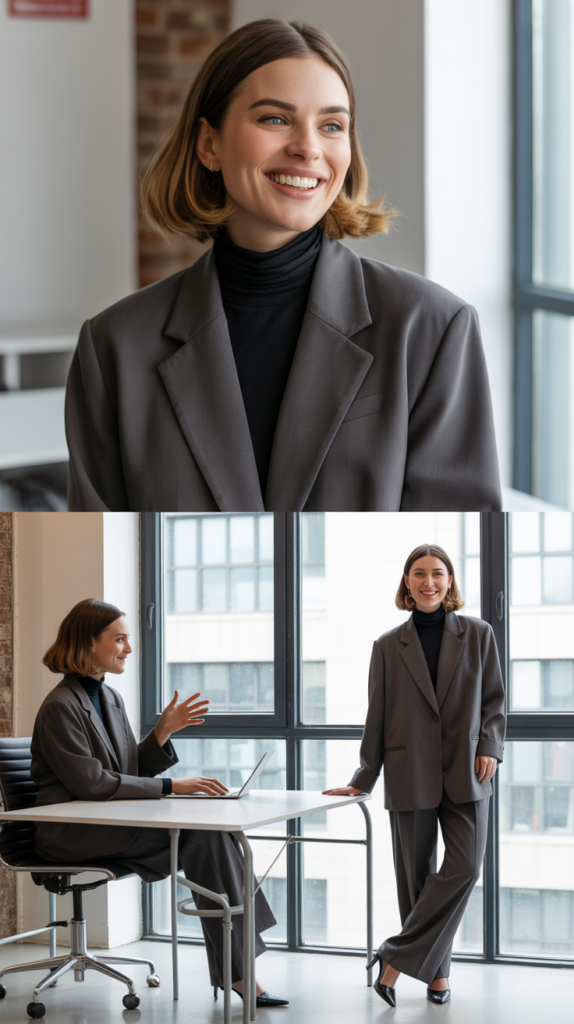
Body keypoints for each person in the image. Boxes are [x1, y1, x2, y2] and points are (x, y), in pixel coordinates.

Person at [65, 18, 501, 513]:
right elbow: (99, 549)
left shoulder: (432, 328)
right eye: (275, 119)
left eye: (331, 126)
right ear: (209, 144)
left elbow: (451, 544)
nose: (308, 148)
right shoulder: (113, 347)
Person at [30, 599, 287, 1008]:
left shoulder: (109, 697)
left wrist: (162, 732)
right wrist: (172, 786)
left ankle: (238, 969)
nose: (128, 648)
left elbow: (127, 770)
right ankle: (239, 972)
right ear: (89, 642)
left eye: (127, 639)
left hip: (106, 824)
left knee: (214, 835)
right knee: (204, 839)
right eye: (119, 639)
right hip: (73, 834)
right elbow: (92, 783)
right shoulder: (60, 707)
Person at [324, 544, 506, 1006]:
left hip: (468, 768)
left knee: (466, 866)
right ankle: (437, 977)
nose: (429, 582)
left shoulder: (478, 633)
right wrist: (365, 776)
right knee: (416, 880)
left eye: (438, 573)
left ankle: (393, 955)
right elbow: (377, 715)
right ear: (407, 581)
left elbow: (494, 699)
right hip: (409, 771)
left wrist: (490, 746)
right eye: (419, 573)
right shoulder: (387, 646)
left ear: (450, 580)